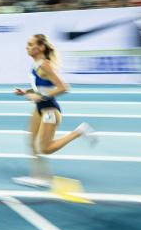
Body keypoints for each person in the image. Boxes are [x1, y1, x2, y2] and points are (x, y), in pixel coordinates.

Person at [13, 34, 97, 187]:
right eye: (28, 44)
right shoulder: (35, 65)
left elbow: (64, 87)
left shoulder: (45, 65)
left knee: (45, 149)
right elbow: (41, 87)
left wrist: (40, 97)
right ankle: (38, 176)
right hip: (40, 109)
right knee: (31, 141)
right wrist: (25, 92)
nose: (27, 47)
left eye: (31, 44)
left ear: (41, 47)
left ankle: (80, 131)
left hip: (50, 110)